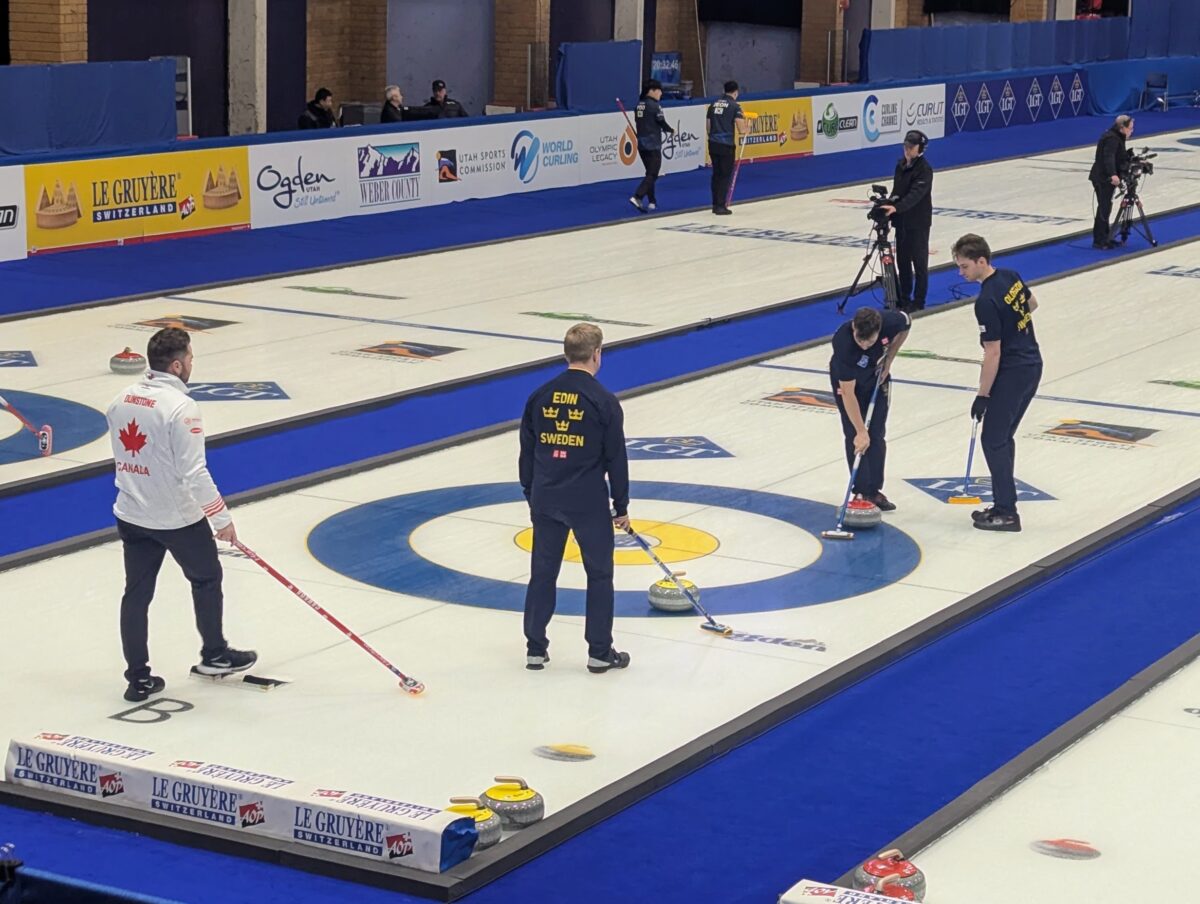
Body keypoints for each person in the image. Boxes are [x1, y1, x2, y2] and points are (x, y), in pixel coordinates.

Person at [106, 328, 256, 702]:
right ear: (176, 365)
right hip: (175, 518)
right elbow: (194, 472)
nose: (191, 363)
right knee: (206, 577)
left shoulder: (121, 399)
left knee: (136, 593)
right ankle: (215, 655)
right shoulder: (180, 408)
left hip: (131, 512)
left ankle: (138, 678)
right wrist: (221, 518)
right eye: (189, 358)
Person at [519, 323, 631, 675]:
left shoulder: (539, 396)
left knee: (542, 574)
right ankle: (599, 652)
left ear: (566, 352)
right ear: (597, 353)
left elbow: (527, 452)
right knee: (599, 575)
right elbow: (616, 458)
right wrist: (621, 506)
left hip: (546, 497)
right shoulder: (603, 401)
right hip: (587, 501)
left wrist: (531, 493)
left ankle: (535, 649)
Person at [951, 234, 1043, 533]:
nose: (961, 273)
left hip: (1013, 371)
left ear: (981, 261)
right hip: (1032, 364)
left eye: (964, 266)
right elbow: (1032, 304)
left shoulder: (985, 302)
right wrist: (1013, 327)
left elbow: (993, 352)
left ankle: (1007, 511)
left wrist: (983, 395)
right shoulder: (1010, 276)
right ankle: (1004, 503)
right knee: (1002, 437)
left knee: (992, 439)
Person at [829, 307, 911, 512]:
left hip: (876, 377)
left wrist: (889, 358)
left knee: (876, 434)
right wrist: (860, 430)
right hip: (849, 384)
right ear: (854, 327)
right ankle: (861, 491)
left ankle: (873, 491)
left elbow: (907, 323)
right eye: (861, 340)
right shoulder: (844, 344)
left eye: (870, 341)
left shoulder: (890, 321)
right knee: (855, 436)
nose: (865, 345)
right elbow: (848, 393)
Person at [880, 130, 934, 312]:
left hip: (918, 223)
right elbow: (898, 191)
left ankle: (918, 301)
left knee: (919, 263)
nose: (908, 149)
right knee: (902, 262)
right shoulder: (900, 165)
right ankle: (904, 298)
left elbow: (915, 195)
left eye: (912, 146)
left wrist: (897, 207)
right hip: (902, 223)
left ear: (920, 148)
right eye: (906, 146)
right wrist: (889, 204)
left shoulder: (924, 170)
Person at [629, 78, 675, 213]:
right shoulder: (655, 106)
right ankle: (638, 196)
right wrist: (671, 130)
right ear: (652, 91)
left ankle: (652, 202)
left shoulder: (639, 105)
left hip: (642, 144)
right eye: (659, 91)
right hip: (652, 144)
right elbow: (661, 122)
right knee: (653, 173)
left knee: (649, 173)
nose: (661, 94)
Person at [1089, 114, 1134, 249]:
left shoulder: (1117, 137)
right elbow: (1108, 158)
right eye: (1130, 128)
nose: (1132, 131)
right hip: (1103, 178)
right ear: (1122, 128)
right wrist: (1113, 174)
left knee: (1106, 207)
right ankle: (1099, 240)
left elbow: (1118, 157)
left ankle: (1106, 236)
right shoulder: (1112, 139)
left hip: (1105, 176)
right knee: (1104, 208)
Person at [706, 80, 750, 215]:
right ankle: (721, 205)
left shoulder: (713, 105)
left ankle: (715, 204)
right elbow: (741, 129)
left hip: (713, 143)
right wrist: (748, 128)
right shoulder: (735, 107)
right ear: (736, 92)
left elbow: (708, 126)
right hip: (726, 145)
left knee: (716, 174)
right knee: (725, 175)